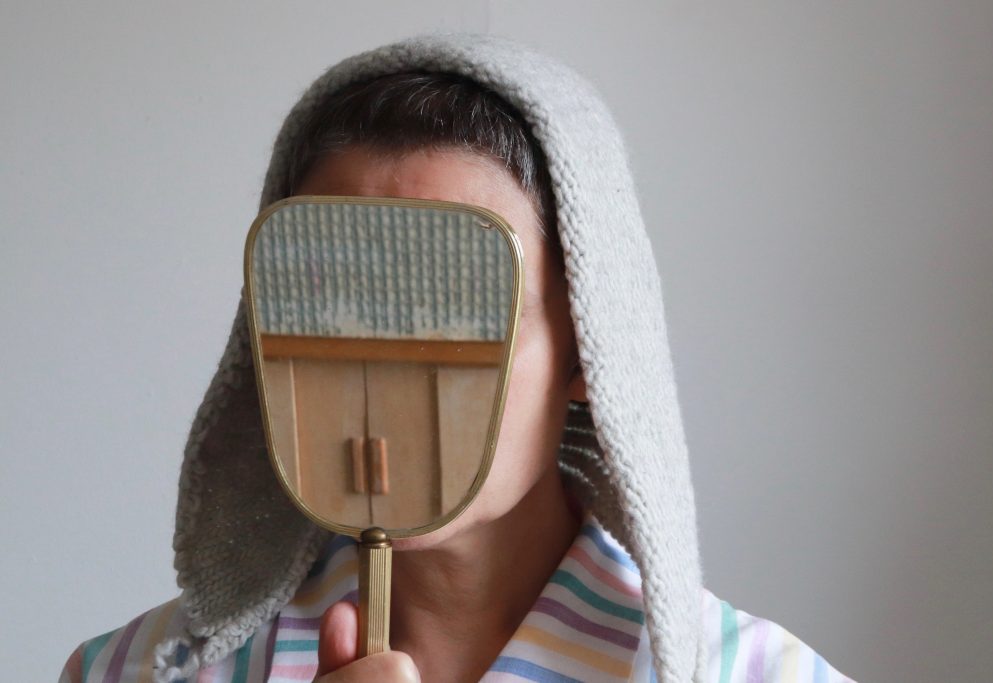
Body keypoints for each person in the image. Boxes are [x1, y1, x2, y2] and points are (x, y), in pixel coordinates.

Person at [60, 34, 853, 683]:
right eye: (322, 294)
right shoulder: (131, 673)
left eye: (455, 304)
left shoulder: (757, 674)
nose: (378, 370)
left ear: (591, 347)